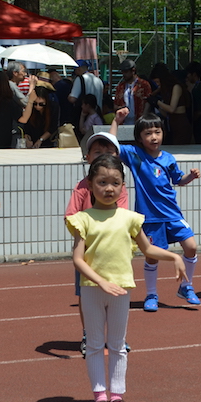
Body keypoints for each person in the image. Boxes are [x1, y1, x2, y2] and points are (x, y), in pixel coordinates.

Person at [67, 154, 186, 402]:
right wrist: (100, 281)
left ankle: (117, 396)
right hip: (92, 289)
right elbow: (77, 259)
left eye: (115, 182)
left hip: (121, 290)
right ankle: (100, 397)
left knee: (118, 344)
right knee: (94, 344)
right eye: (102, 182)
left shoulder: (130, 218)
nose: (109, 188)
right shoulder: (82, 219)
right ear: (90, 184)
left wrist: (174, 256)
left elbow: (148, 249)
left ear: (123, 186)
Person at [109, 110, 200, 311]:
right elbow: (111, 146)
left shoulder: (168, 158)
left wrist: (190, 177)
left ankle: (186, 286)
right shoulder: (135, 155)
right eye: (148, 133)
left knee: (191, 247)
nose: (154, 137)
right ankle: (151, 294)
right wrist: (116, 121)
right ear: (139, 138)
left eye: (157, 132)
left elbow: (178, 180)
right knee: (152, 256)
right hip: (149, 217)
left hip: (172, 214)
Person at [65, 132, 130, 357]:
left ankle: (116, 336)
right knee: (86, 296)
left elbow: (122, 216)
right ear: (88, 157)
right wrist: (86, 233)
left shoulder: (119, 189)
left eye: (108, 152)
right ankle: (89, 334)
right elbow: (71, 216)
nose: (103, 155)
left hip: (113, 253)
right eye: (97, 152)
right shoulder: (82, 186)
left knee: (117, 294)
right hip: (88, 254)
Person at [112, 59, 152, 126]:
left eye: (126, 72)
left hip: (139, 121)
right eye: (122, 72)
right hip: (123, 122)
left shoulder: (144, 85)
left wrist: (143, 119)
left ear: (133, 71)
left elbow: (148, 102)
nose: (123, 74)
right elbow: (115, 104)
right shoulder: (120, 87)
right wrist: (119, 108)